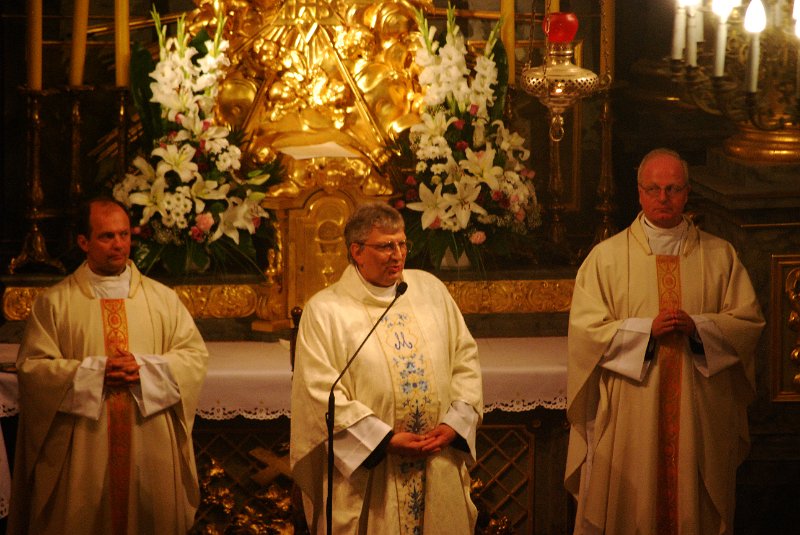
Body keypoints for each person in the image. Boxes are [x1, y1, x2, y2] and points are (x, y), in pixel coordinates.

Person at [565, 148, 765, 535]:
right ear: (639, 193)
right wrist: (645, 332)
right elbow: (586, 333)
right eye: (653, 189)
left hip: (698, 410)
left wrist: (699, 328)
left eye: (672, 188)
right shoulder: (606, 258)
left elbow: (747, 323)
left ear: (687, 193)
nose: (663, 198)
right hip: (632, 413)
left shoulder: (720, 256)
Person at [9, 198, 209, 535]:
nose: (119, 244)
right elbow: (33, 370)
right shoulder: (55, 303)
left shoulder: (163, 300)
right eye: (106, 236)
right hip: (84, 447)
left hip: (149, 444)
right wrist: (93, 373)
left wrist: (145, 369)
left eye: (124, 234)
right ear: (83, 242)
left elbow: (194, 358)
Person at [290, 203, 483, 534]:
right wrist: (384, 440)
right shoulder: (325, 311)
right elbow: (319, 394)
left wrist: (454, 424)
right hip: (371, 476)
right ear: (357, 251)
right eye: (385, 246)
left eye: (402, 243)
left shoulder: (431, 291)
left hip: (437, 459)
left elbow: (465, 359)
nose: (398, 255)